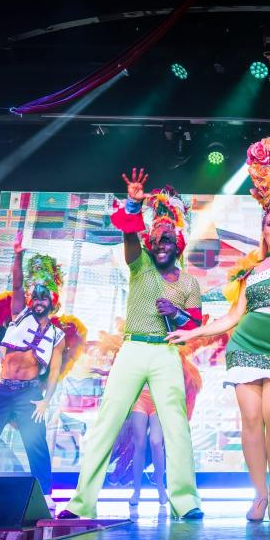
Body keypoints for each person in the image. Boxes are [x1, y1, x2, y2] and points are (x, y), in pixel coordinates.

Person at [168, 130, 270, 523]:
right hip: (246, 345)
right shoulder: (249, 269)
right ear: (263, 229)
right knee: (250, 421)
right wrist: (194, 332)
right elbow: (231, 317)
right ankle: (259, 494)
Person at [59, 174, 205, 520]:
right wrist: (134, 204)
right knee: (106, 422)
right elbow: (128, 233)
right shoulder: (140, 267)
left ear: (178, 243)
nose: (162, 243)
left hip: (166, 353)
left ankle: (186, 502)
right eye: (156, 240)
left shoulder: (188, 283)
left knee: (176, 428)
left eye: (167, 238)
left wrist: (179, 312)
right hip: (134, 349)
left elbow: (196, 326)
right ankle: (81, 504)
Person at [0, 232, 85, 507]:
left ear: (52, 302)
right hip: (3, 390)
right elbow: (16, 284)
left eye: (44, 297)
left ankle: (46, 495)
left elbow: (52, 372)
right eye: (35, 296)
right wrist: (17, 255)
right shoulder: (18, 315)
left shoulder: (56, 336)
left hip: (29, 394)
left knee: (36, 446)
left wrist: (45, 401)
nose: (38, 301)